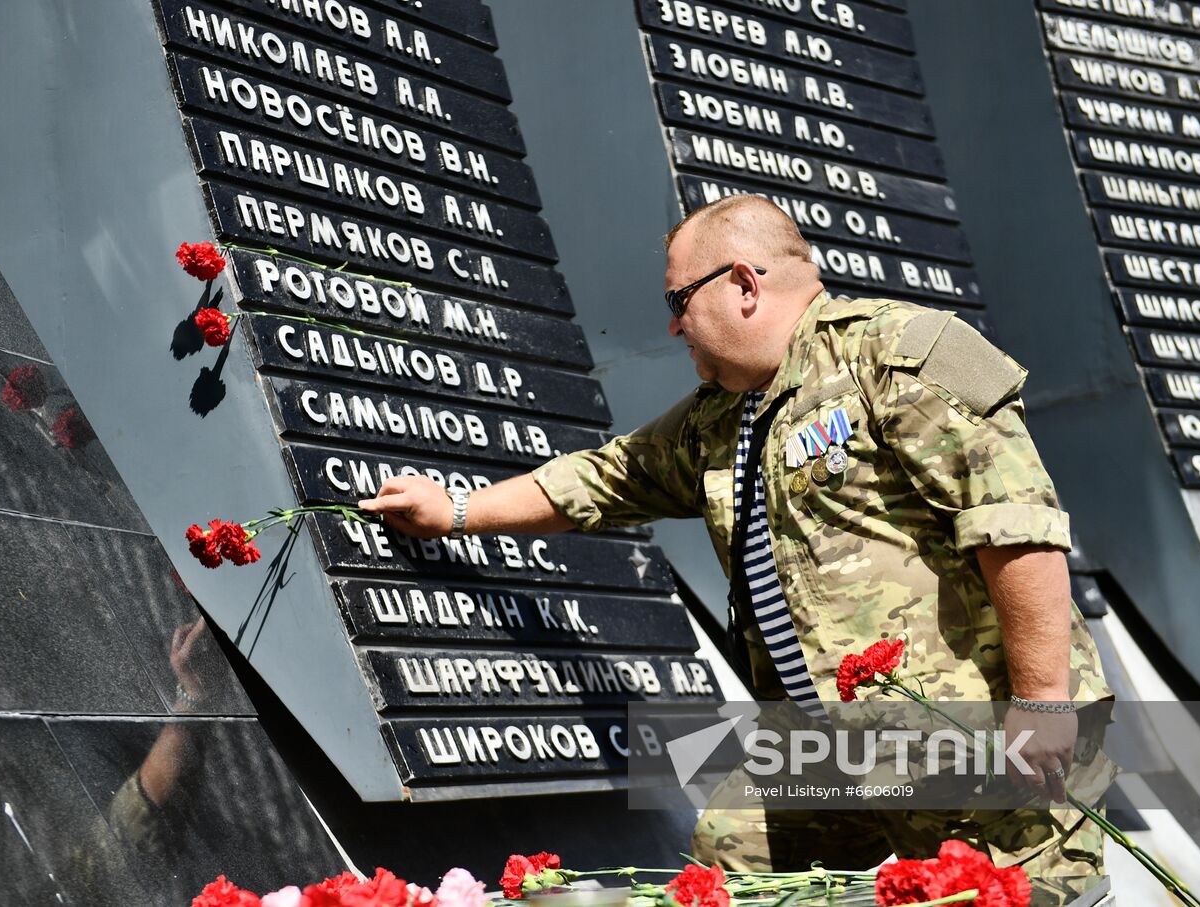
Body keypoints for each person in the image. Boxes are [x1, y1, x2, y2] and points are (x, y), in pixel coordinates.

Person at [360, 196, 1111, 896]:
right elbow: (604, 479)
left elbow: (1017, 528)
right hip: (834, 751)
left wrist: (1044, 707)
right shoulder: (722, 420)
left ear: (744, 283)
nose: (674, 326)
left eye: (677, 301)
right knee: (729, 863)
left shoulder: (900, 355)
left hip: (975, 743)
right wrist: (456, 509)